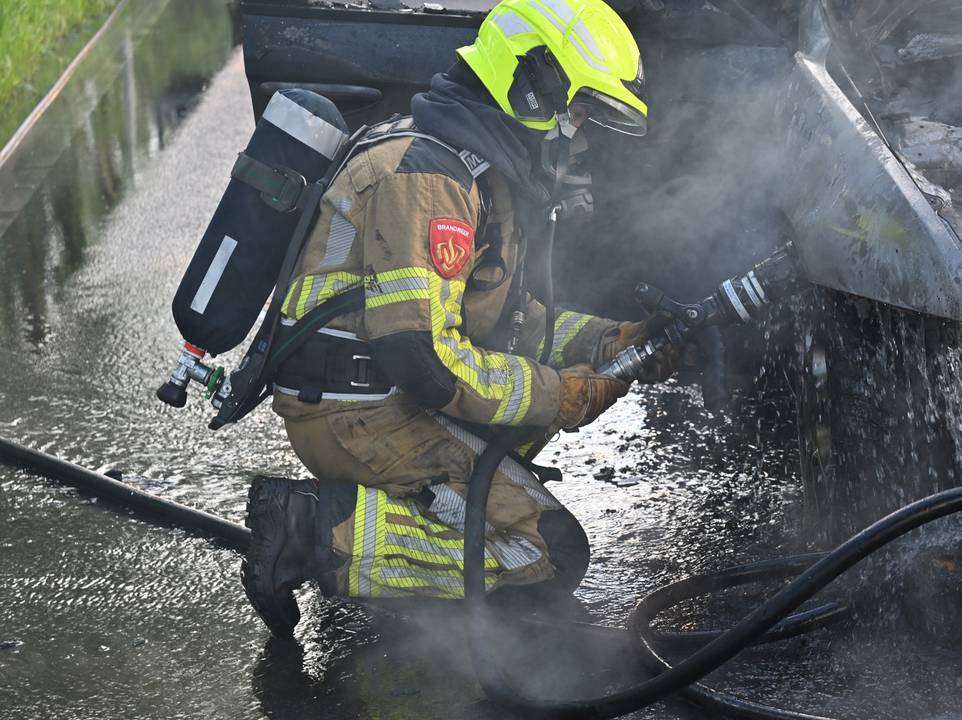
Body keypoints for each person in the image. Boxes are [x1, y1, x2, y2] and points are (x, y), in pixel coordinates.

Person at [241, 0, 676, 638]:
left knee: (520, 458)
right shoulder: (429, 179)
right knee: (549, 552)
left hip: (376, 399)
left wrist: (606, 340)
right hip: (359, 414)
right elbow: (426, 359)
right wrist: (564, 394)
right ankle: (314, 530)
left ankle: (392, 514)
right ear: (533, 86)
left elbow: (506, 322)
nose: (578, 135)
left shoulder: (474, 170)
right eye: (577, 112)